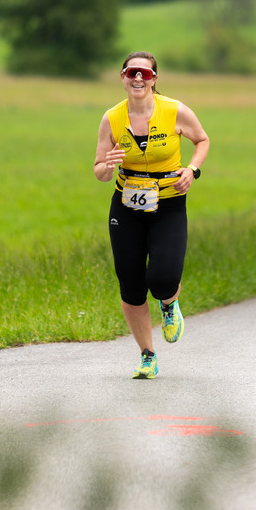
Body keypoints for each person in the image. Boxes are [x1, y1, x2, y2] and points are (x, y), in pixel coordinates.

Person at [94, 51, 209, 379]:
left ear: (155, 79)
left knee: (161, 278)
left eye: (145, 73)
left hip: (168, 204)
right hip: (126, 206)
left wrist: (192, 169)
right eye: (132, 73)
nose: (138, 79)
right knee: (130, 285)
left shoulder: (175, 110)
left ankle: (169, 305)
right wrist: (109, 165)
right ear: (122, 77)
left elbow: (202, 140)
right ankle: (147, 355)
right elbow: (99, 170)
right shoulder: (112, 119)